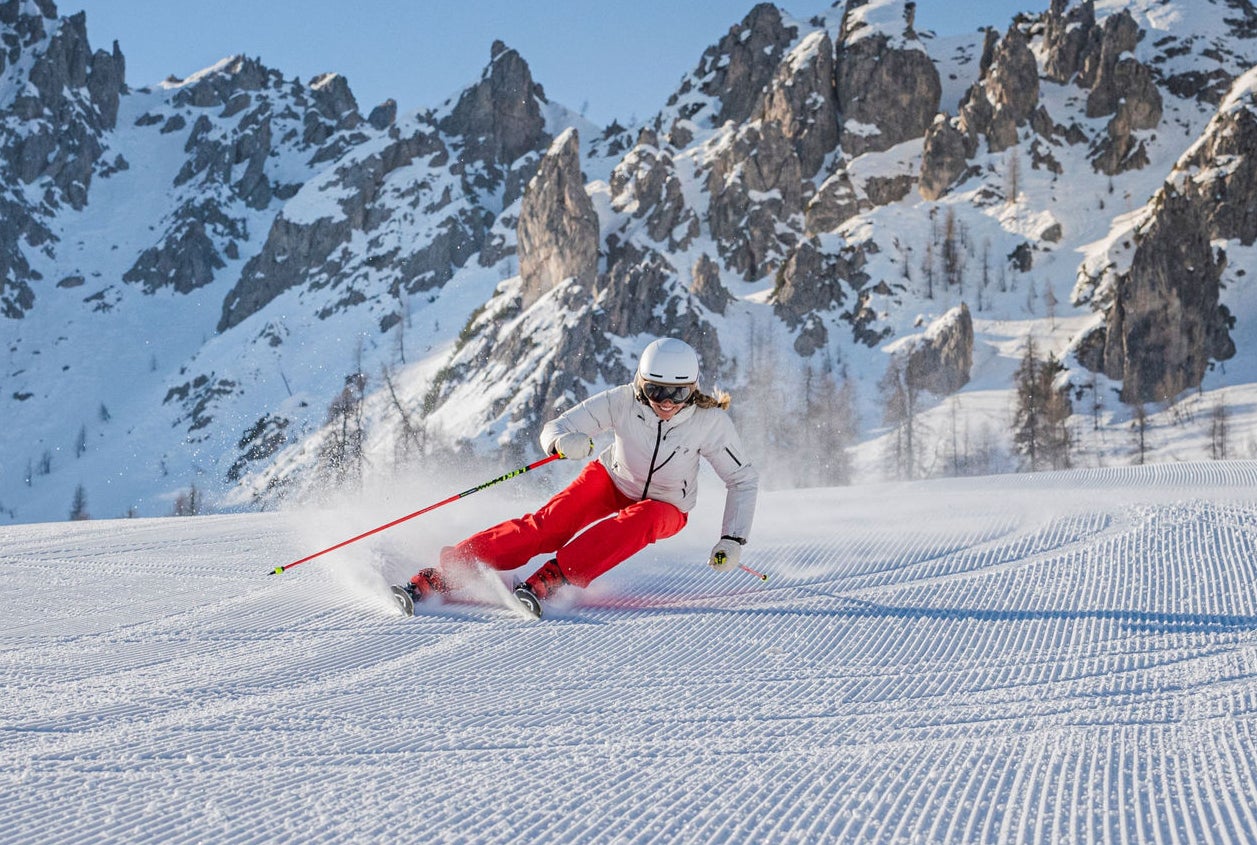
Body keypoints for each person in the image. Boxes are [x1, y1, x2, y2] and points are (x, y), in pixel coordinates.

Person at [397, 337, 759, 618]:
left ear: (692, 389)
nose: (666, 402)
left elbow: (742, 479)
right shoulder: (622, 401)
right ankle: (452, 570)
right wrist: (562, 441)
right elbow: (556, 427)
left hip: (668, 504)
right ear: (640, 384)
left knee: (637, 521)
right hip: (613, 478)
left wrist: (732, 538)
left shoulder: (709, 423)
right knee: (549, 524)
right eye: (656, 391)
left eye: (677, 393)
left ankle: (555, 577)